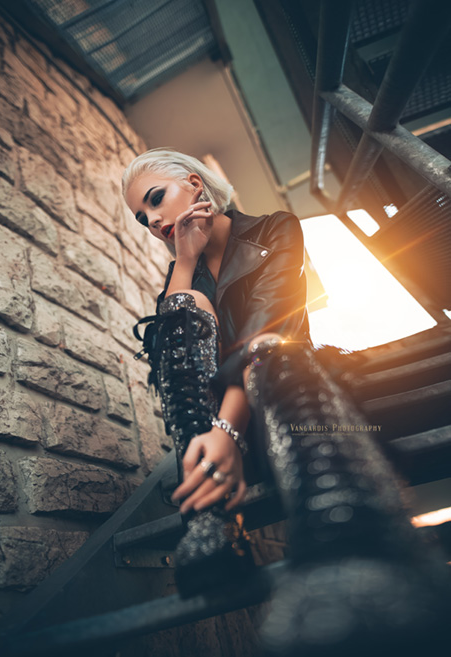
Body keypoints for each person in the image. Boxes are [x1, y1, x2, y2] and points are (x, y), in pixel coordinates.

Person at [122, 149, 448, 656]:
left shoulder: (275, 228)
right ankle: (211, 520)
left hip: (282, 400)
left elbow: (270, 325)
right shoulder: (179, 278)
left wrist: (226, 431)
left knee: (276, 351)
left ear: (193, 183)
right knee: (183, 313)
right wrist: (185, 264)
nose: (154, 220)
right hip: (211, 428)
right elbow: (167, 366)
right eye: (143, 218)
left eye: (156, 199)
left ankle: (346, 527)